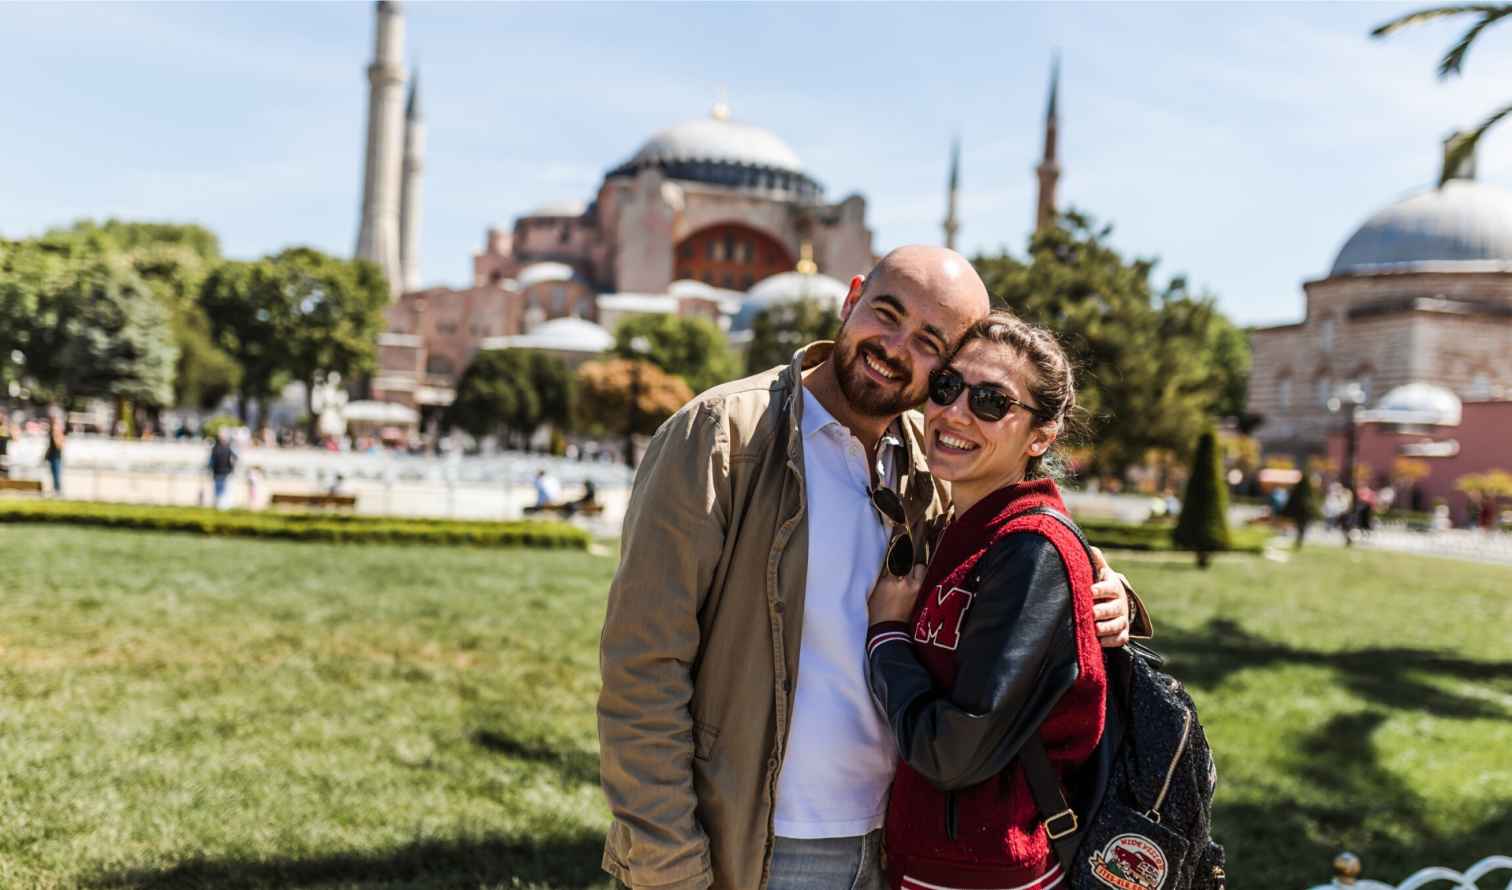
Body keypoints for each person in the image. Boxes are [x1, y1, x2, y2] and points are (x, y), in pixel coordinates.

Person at [598, 246, 1144, 890]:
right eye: (886, 314)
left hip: (894, 849)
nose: (894, 347)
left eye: (929, 344)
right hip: (758, 846)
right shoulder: (724, 436)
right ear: (851, 297)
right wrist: (668, 863)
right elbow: (644, 666)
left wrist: (1109, 595)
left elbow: (1016, 556)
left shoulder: (930, 458)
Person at [865, 311, 1109, 890]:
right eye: (947, 387)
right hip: (945, 863)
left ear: (1041, 436)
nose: (954, 412)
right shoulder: (971, 527)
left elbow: (952, 751)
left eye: (992, 402)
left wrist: (886, 637)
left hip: (987, 872)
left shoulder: (1029, 549)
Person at [209, 429, 237, 510]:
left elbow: (235, 459)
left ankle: (223, 506)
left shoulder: (229, 448)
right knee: (218, 491)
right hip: (217, 472)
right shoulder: (215, 448)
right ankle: (218, 506)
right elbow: (211, 461)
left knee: (225, 491)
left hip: (226, 472)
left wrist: (232, 468)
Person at [44, 415, 65, 496]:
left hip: (56, 456)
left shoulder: (57, 432)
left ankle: (58, 490)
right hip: (52, 456)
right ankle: (56, 489)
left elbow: (59, 445)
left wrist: (56, 435)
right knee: (53, 474)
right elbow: (50, 446)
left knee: (56, 473)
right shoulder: (53, 431)